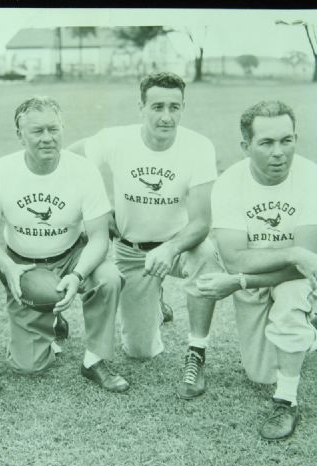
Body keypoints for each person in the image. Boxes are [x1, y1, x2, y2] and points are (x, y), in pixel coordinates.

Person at [196, 100, 317, 440]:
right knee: (260, 373)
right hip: (259, 262)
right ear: (246, 146)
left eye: (287, 140)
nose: (279, 152)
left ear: (296, 138)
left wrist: (238, 281)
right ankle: (316, 333)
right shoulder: (230, 183)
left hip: (304, 271)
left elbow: (304, 265)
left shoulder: (316, 179)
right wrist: (281, 257)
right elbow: (235, 258)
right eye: (266, 143)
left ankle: (286, 401)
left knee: (288, 306)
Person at [68, 72, 218, 399]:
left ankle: (196, 353)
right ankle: (155, 300)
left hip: (180, 246)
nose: (166, 116)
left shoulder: (198, 147)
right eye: (157, 106)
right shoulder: (115, 139)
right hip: (133, 252)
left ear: (182, 108)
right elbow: (69, 158)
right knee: (139, 351)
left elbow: (202, 222)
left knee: (207, 255)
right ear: (141, 107)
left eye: (174, 107)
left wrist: (170, 248)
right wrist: (100, 208)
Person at [0, 96, 128, 393]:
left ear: (62, 129)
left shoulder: (82, 170)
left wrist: (77, 275)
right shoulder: (0, 171)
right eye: (37, 131)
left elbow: (98, 237)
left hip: (72, 254)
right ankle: (51, 317)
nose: (47, 138)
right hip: (24, 264)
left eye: (53, 129)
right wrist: (8, 267)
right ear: (20, 135)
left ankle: (95, 360)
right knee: (28, 366)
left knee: (108, 278)